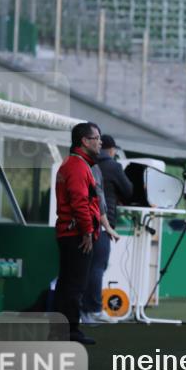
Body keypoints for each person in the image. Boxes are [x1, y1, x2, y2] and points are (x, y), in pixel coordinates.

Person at [54, 122, 103, 344]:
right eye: (97, 138)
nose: (100, 142)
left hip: (70, 233)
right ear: (85, 141)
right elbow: (80, 202)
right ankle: (70, 332)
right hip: (76, 235)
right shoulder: (77, 166)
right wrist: (87, 232)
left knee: (68, 284)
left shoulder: (74, 164)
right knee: (74, 286)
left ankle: (63, 330)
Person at [80, 135, 131, 323]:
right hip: (100, 224)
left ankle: (82, 310)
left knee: (84, 268)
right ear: (111, 150)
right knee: (97, 267)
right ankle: (92, 309)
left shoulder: (85, 163)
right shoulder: (112, 166)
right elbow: (128, 191)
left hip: (80, 223)